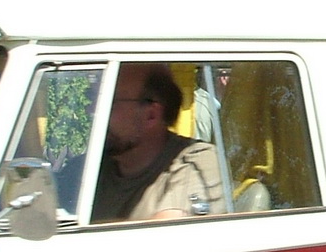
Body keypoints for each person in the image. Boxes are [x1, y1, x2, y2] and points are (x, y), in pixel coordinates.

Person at [90, 63, 226, 222]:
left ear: (151, 115)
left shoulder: (196, 161)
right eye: (91, 98)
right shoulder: (92, 166)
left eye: (108, 103)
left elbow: (164, 238)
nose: (92, 111)